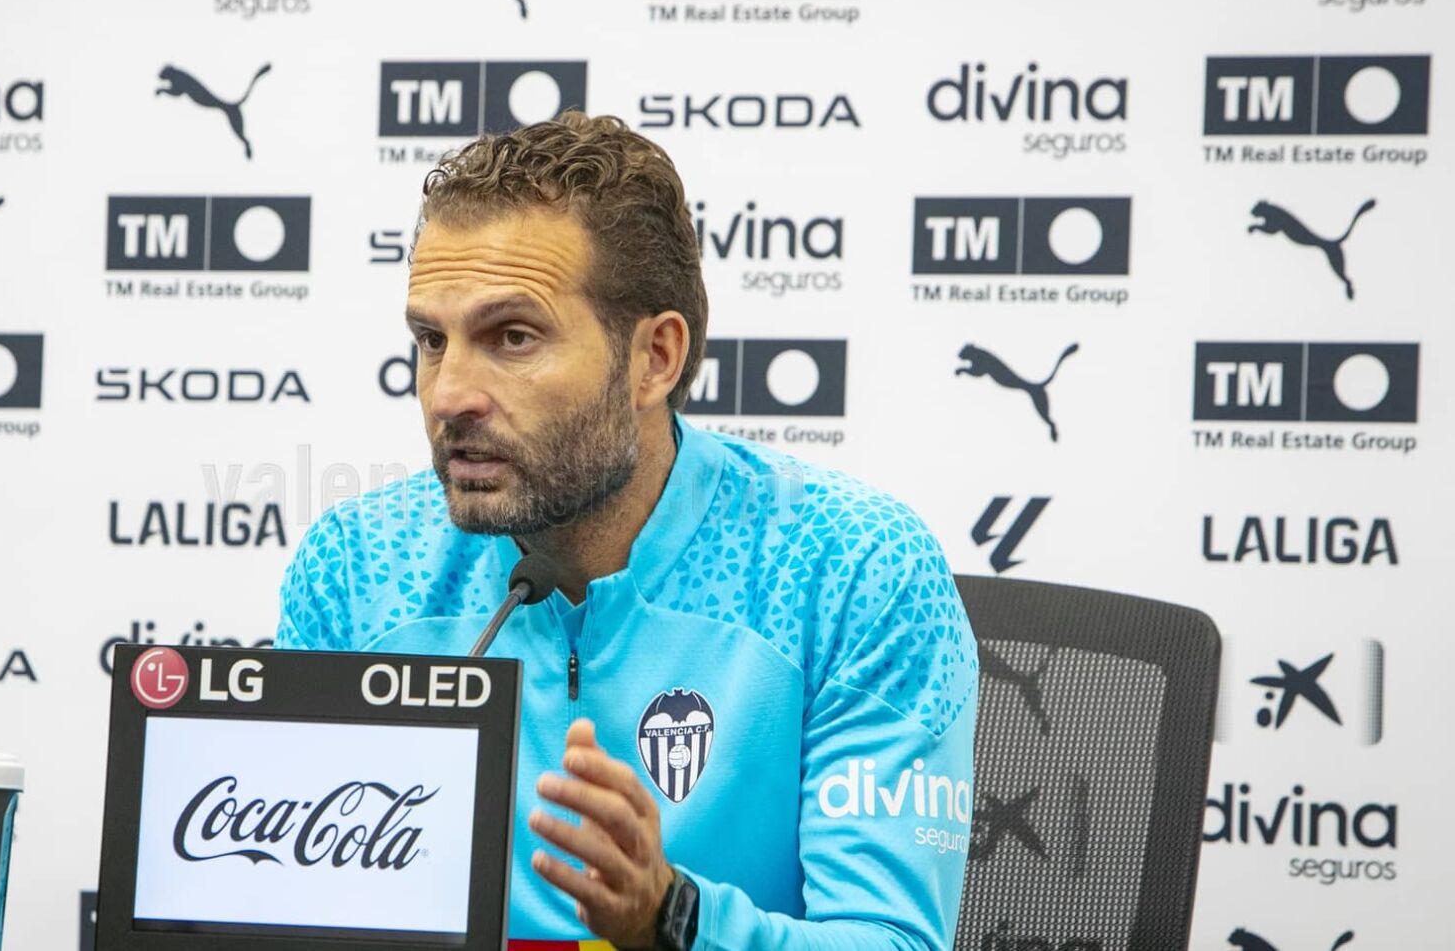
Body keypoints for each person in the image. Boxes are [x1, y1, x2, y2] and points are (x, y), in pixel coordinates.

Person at [277, 112, 977, 950]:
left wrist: (671, 919)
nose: (449, 393)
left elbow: (891, 939)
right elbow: (285, 910)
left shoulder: (853, 566)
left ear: (655, 358)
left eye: (513, 337)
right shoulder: (356, 569)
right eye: (432, 339)